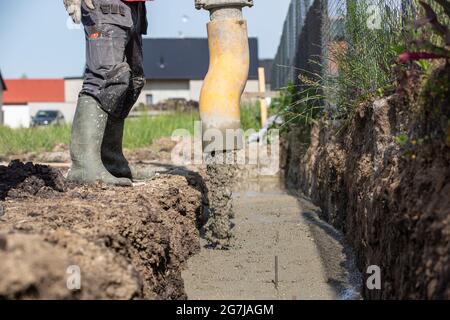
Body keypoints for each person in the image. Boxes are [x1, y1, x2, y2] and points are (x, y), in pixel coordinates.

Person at [63, 0, 153, 186]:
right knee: (106, 78)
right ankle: (84, 166)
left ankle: (111, 162)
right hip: (105, 6)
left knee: (131, 83)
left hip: (135, 8)